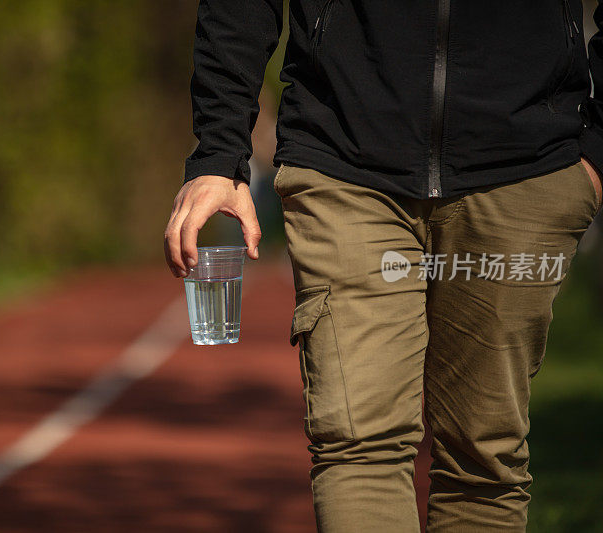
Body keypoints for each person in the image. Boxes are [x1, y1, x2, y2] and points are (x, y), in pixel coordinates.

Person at [164, 1, 603, 531]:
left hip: (522, 167)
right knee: (357, 447)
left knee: (484, 463)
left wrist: (596, 154)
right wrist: (218, 150)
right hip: (343, 162)